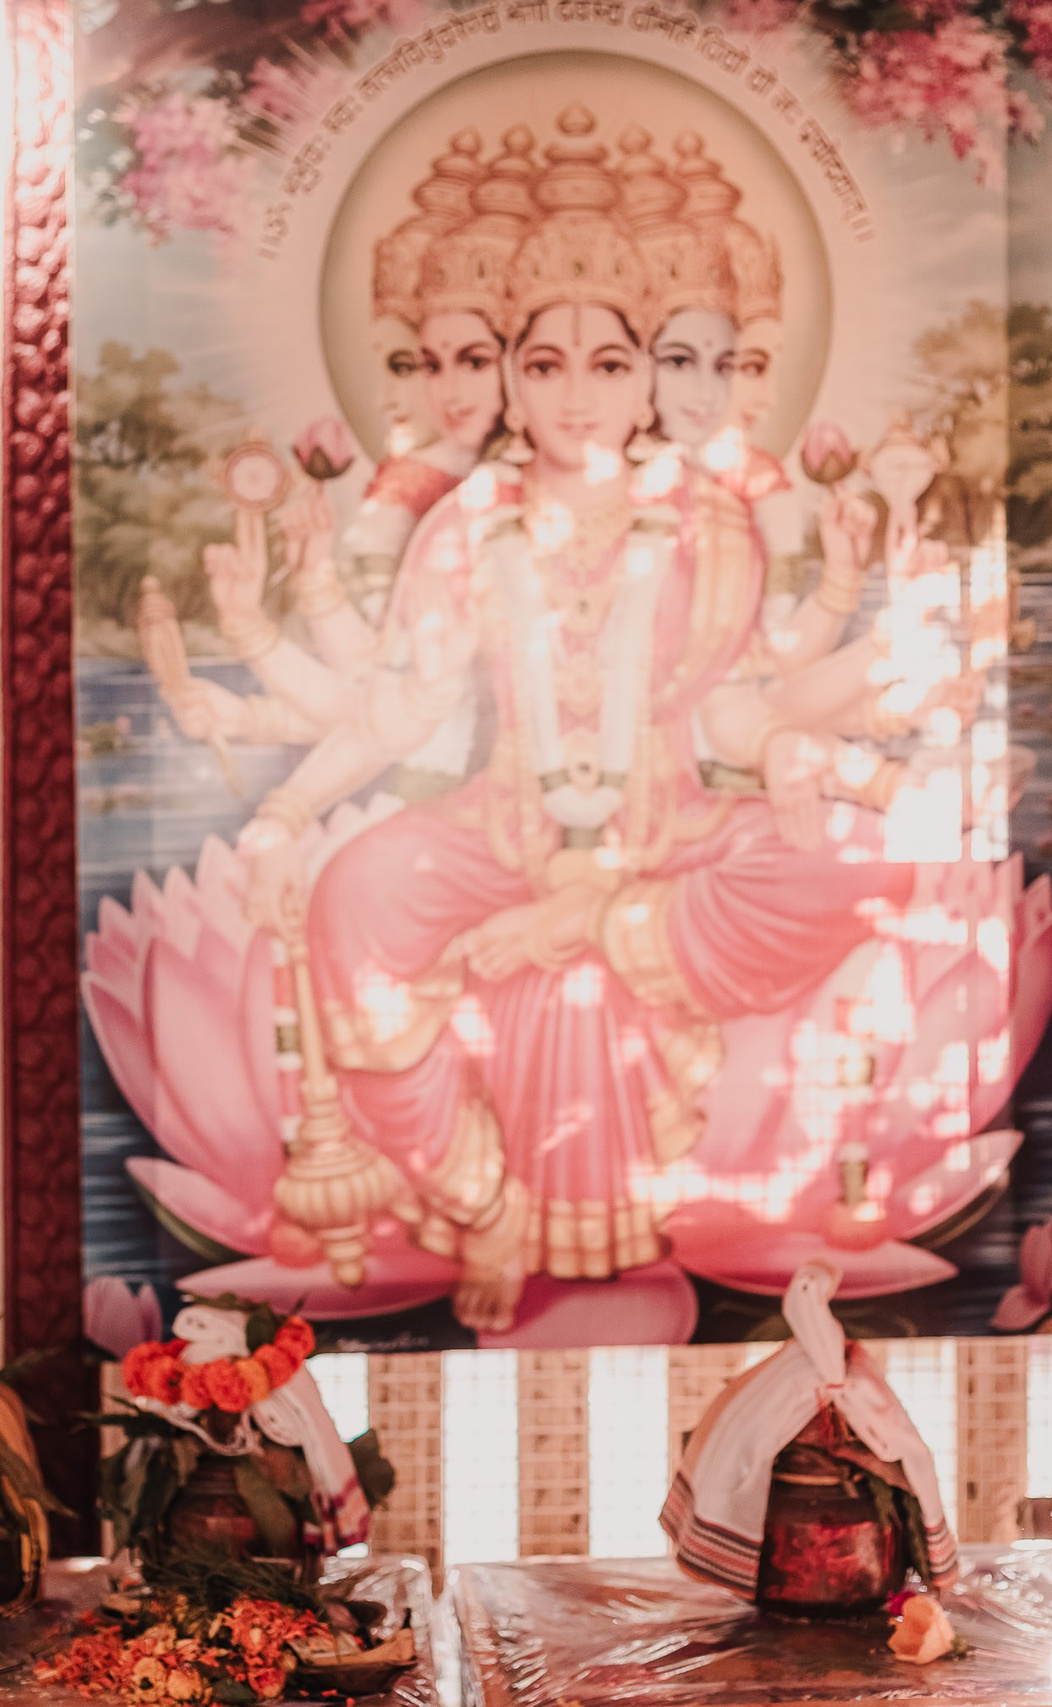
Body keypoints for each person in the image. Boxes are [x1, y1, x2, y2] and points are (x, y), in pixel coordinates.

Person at [231, 105, 916, 1334]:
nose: (577, 397)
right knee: (350, 899)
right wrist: (287, 807)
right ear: (506, 376)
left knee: (864, 866)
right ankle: (480, 1195)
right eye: (543, 365)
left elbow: (737, 704)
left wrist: (814, 755)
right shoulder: (468, 520)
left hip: (669, 836)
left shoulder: (704, 522)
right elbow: (402, 701)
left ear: (648, 377)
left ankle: (600, 920)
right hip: (497, 831)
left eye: (610, 365)